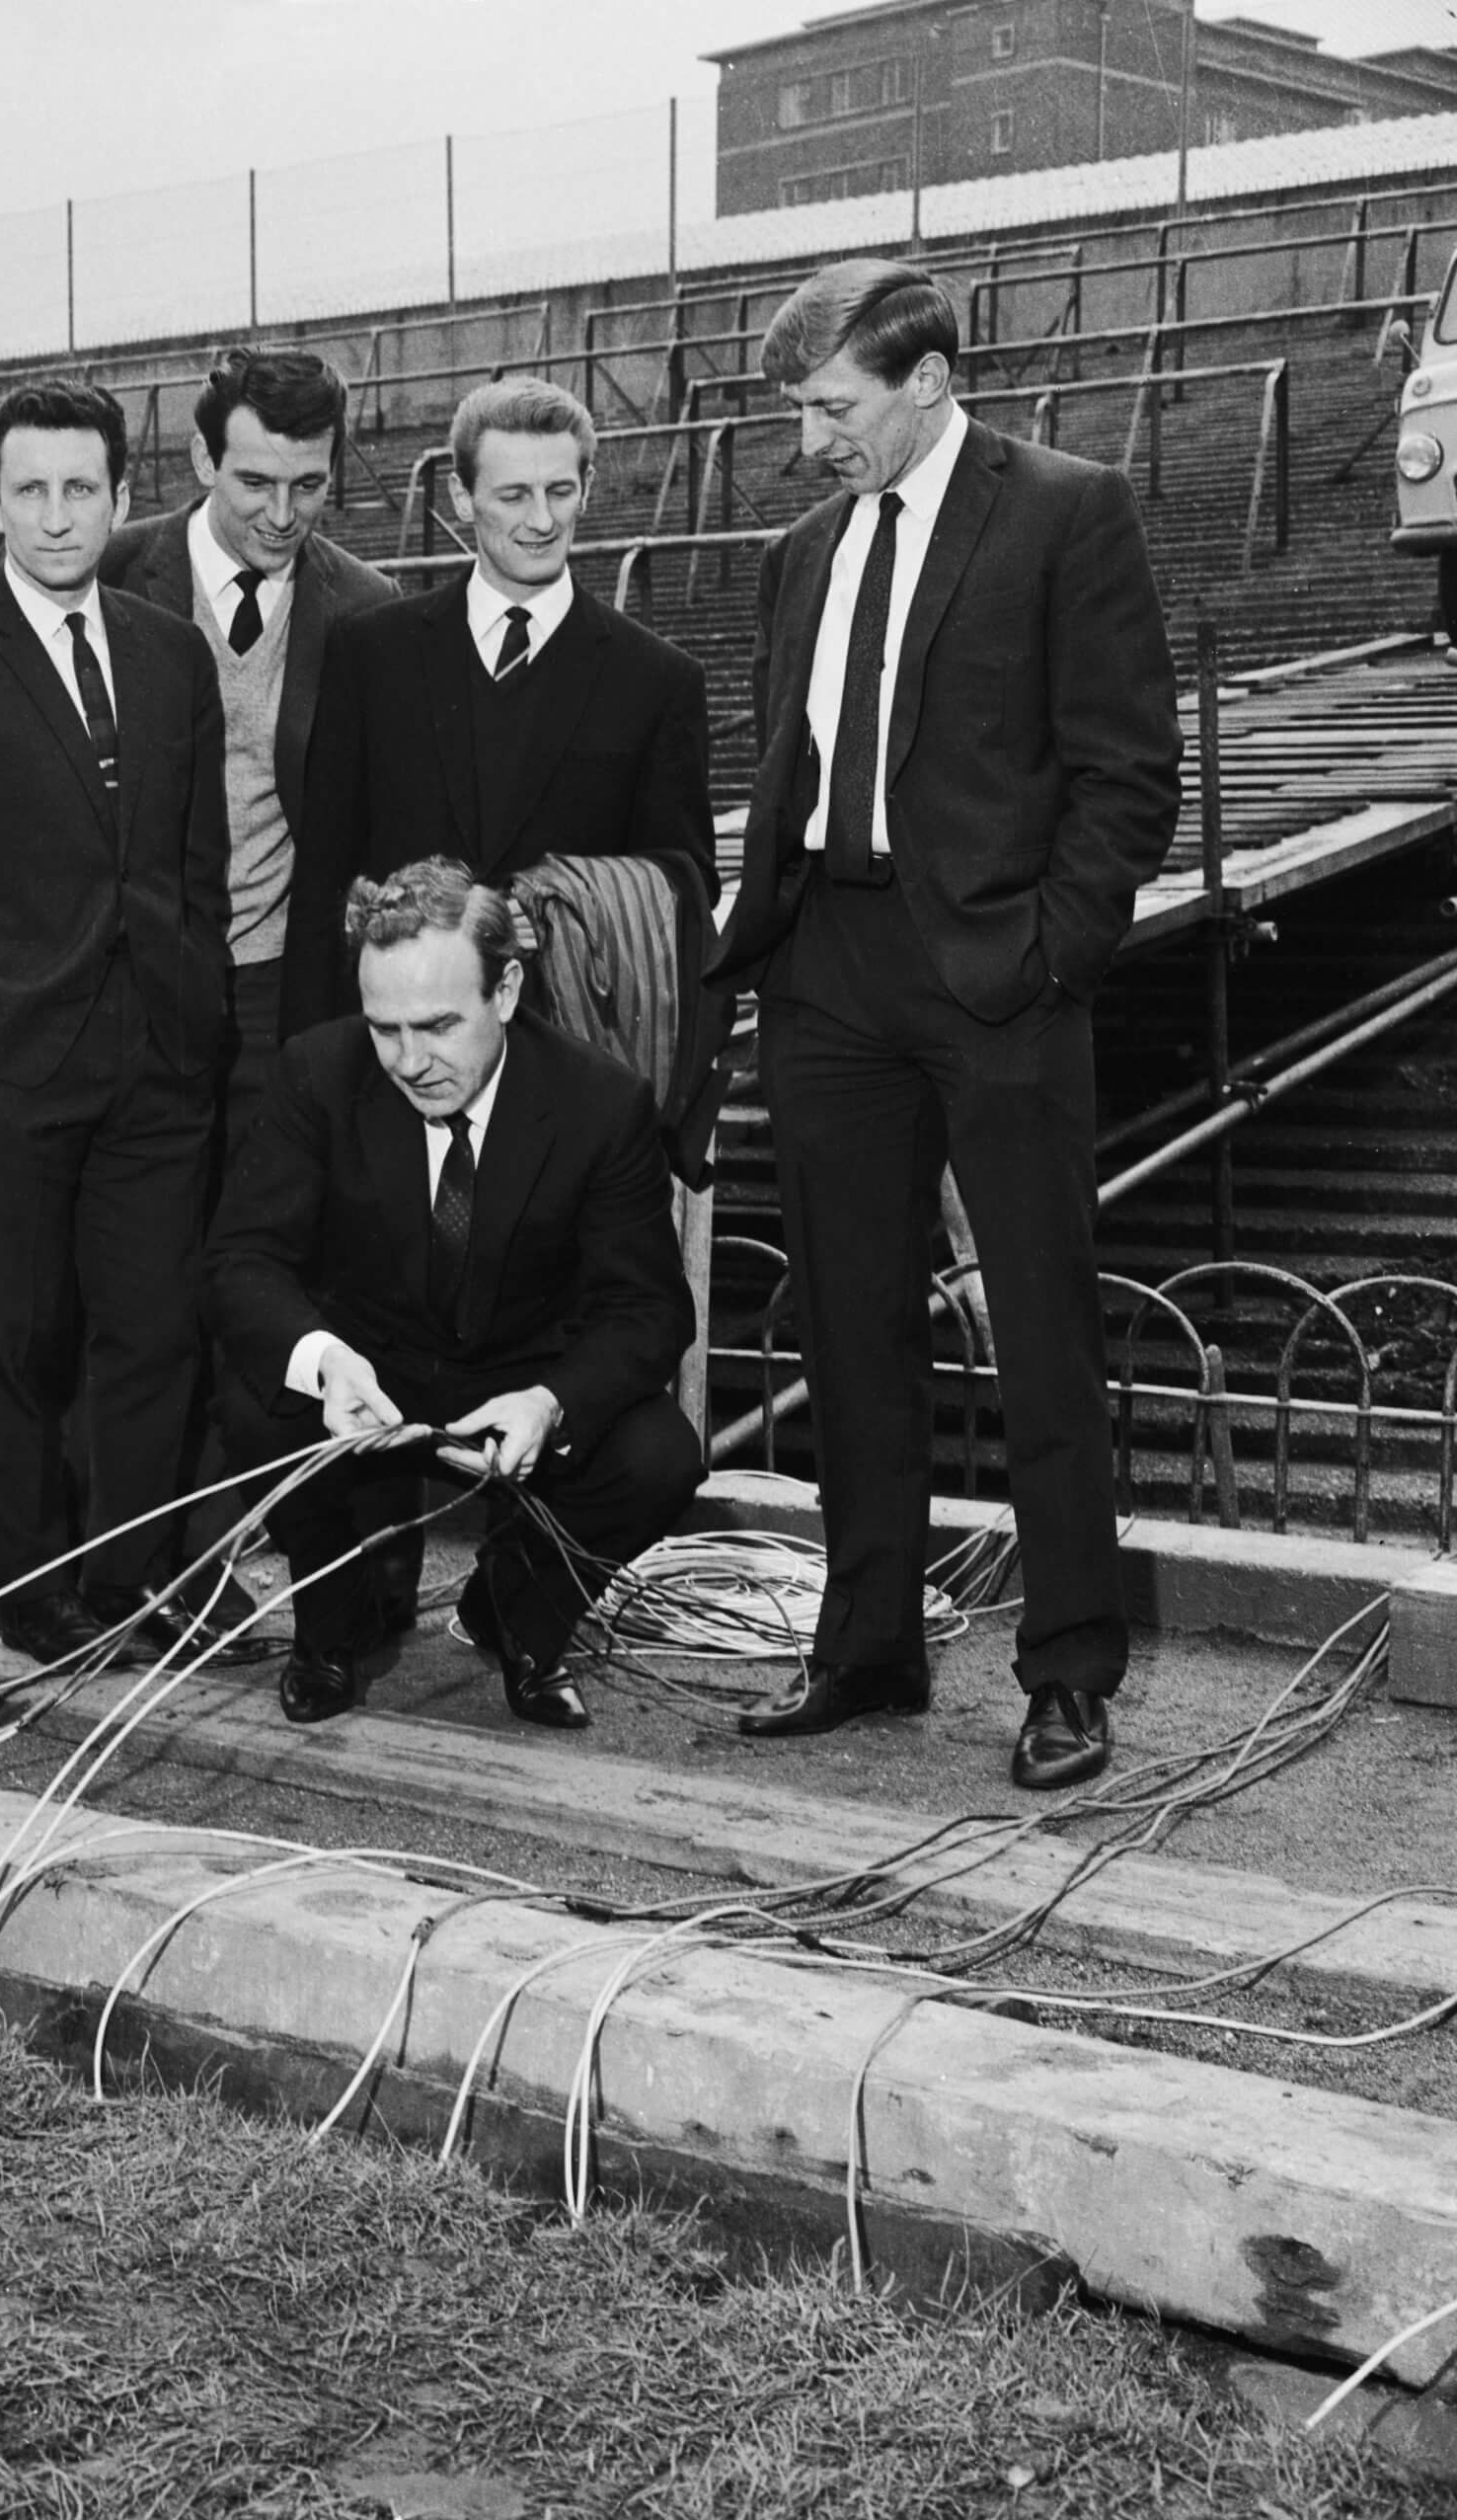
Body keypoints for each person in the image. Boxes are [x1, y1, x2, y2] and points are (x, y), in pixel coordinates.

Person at [709, 258, 1182, 1791]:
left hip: (995, 976)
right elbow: (796, 761)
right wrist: (758, 945)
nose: (811, 440)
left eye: (832, 408)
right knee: (851, 1324)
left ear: (924, 378)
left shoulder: (1065, 507)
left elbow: (1129, 775)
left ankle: (1068, 1673)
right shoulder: (799, 552)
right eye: (798, 412)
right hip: (828, 971)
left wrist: (1049, 956)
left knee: (1040, 1325)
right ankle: (867, 1647)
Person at [0, 380, 233, 1669]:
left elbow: (196, 855)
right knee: (17, 1334)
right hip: (10, 1057)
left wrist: (197, 1010)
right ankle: (34, 1590)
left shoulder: (171, 649)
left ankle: (127, 1580)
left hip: (159, 1052)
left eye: (83, 489)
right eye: (31, 489)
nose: (58, 515)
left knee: (153, 1326)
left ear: (124, 496)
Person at [208, 859, 702, 1730]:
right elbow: (241, 1260)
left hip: (521, 1384)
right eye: (384, 1029)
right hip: (368, 1383)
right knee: (256, 1398)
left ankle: (515, 1613)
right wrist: (323, 1364)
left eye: (438, 1026)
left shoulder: (601, 1103)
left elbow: (651, 1311)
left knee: (659, 1455)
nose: (408, 1061)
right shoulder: (317, 1073)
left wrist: (552, 1401)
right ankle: (330, 1626)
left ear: (506, 990)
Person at [282, 375, 716, 1035]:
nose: (541, 521)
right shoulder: (371, 654)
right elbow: (322, 880)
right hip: (396, 1041)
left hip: (570, 1050)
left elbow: (685, 883)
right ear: (461, 496)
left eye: (560, 491)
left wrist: (559, 910)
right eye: (513, 495)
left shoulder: (659, 678)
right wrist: (308, 1066)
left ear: (587, 489)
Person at [98, 349, 396, 1161]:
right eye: (255, 483)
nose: (282, 514)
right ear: (203, 460)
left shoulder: (366, 607)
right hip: (137, 974)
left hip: (282, 984)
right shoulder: (108, 574)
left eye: (309, 486)